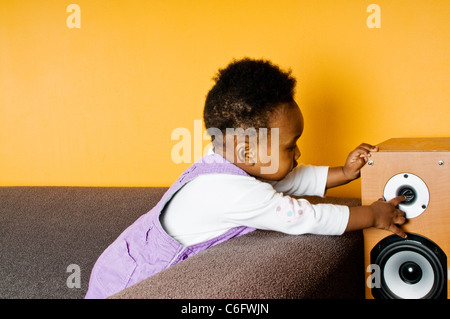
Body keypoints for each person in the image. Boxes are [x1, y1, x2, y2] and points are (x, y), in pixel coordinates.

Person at [85, 58, 406, 299]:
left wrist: (346, 173)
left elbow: (293, 180)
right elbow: (305, 217)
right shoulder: (227, 190)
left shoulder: (234, 167)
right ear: (248, 150)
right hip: (127, 285)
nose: (297, 153)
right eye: (290, 145)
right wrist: (373, 214)